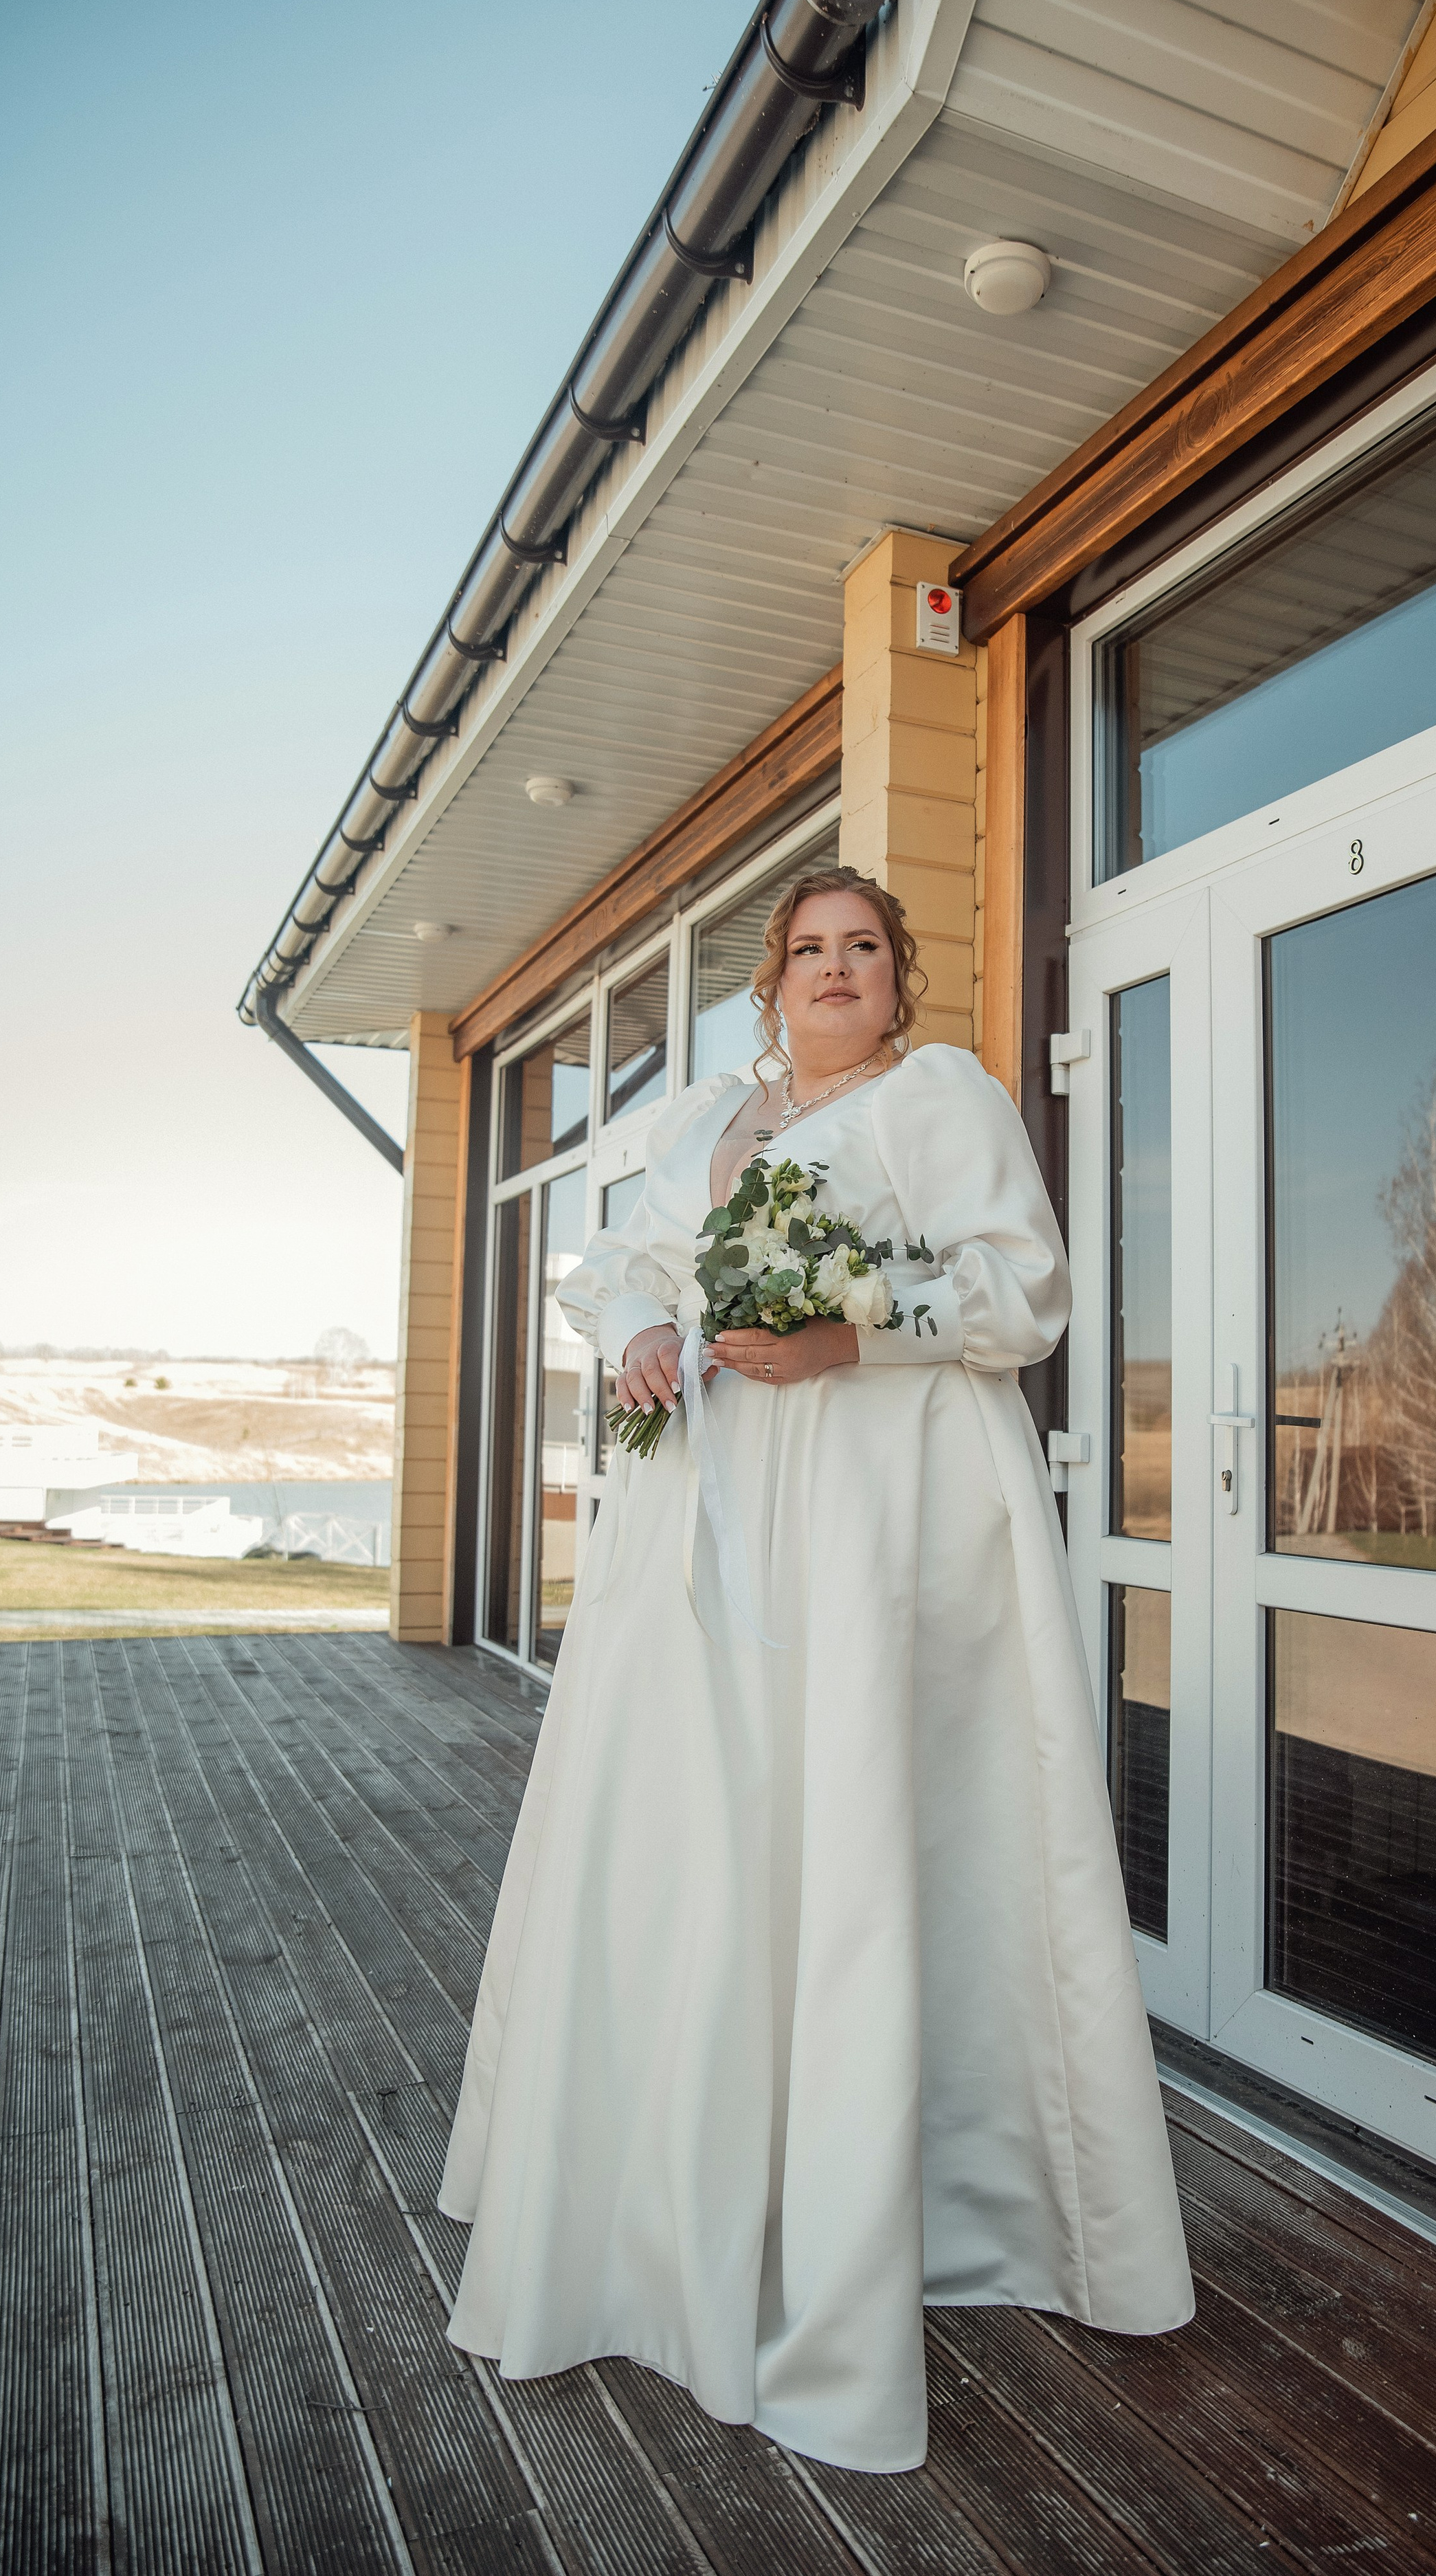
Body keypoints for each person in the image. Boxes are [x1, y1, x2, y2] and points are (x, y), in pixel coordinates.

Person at [438, 863, 1193, 2473]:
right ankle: (664, 2189)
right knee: (693, 1826)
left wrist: (851, 1336)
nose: (833, 970)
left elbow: (1025, 1289)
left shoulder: (941, 1097)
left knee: (849, 1826)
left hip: (868, 1515)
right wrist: (640, 1331)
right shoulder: (709, 1107)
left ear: (895, 981)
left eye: (863, 949)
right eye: (807, 950)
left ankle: (861, 2212)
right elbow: (618, 1267)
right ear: (770, 980)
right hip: (697, 1516)